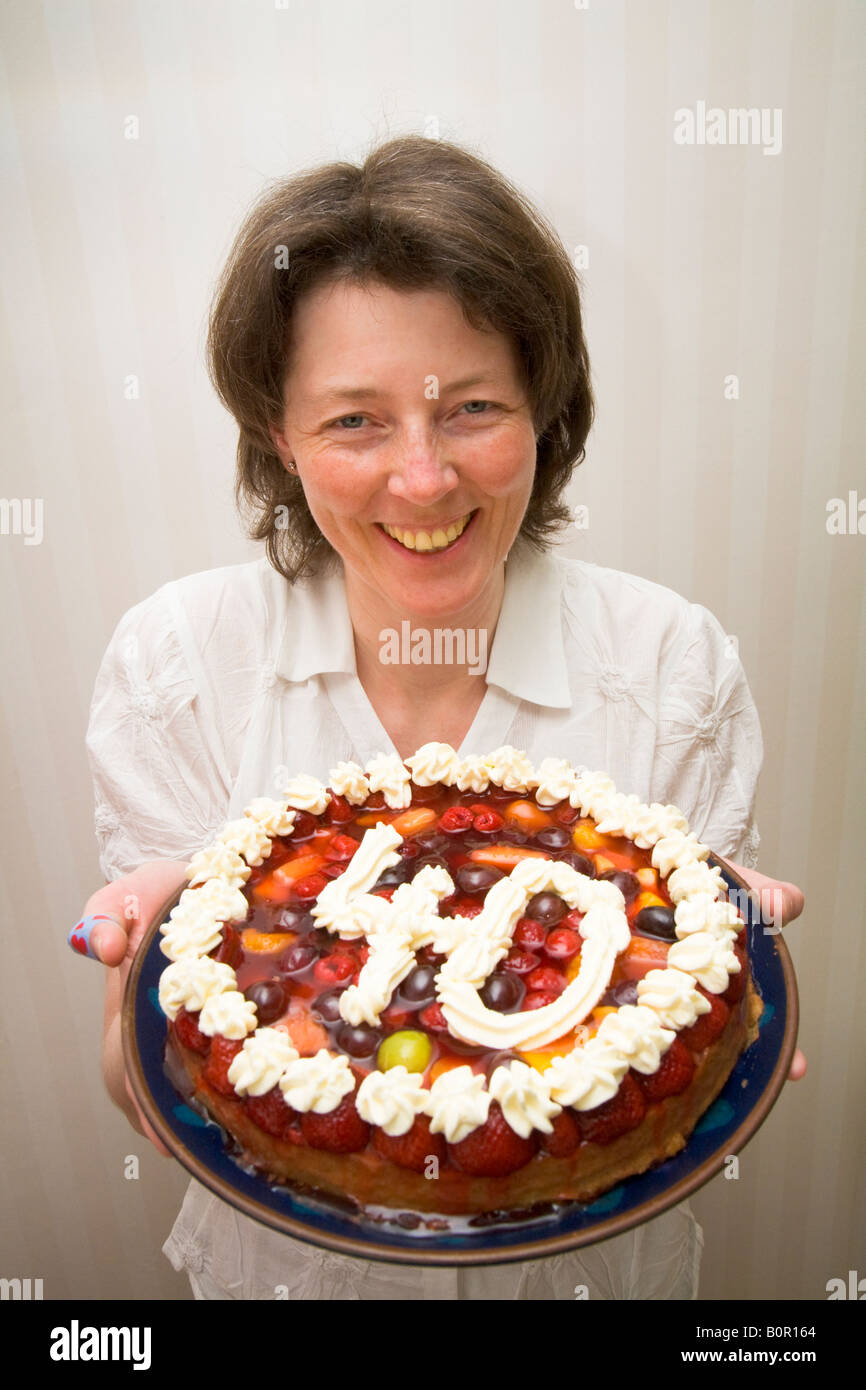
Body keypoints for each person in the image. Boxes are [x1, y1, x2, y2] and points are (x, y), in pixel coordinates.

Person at [75, 135, 805, 1300]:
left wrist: (716, 1020)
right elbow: (145, 1070)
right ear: (278, 435)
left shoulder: (671, 662)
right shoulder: (177, 664)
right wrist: (134, 1007)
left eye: (469, 407)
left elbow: (694, 991)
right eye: (354, 421)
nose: (421, 480)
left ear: (543, 411)